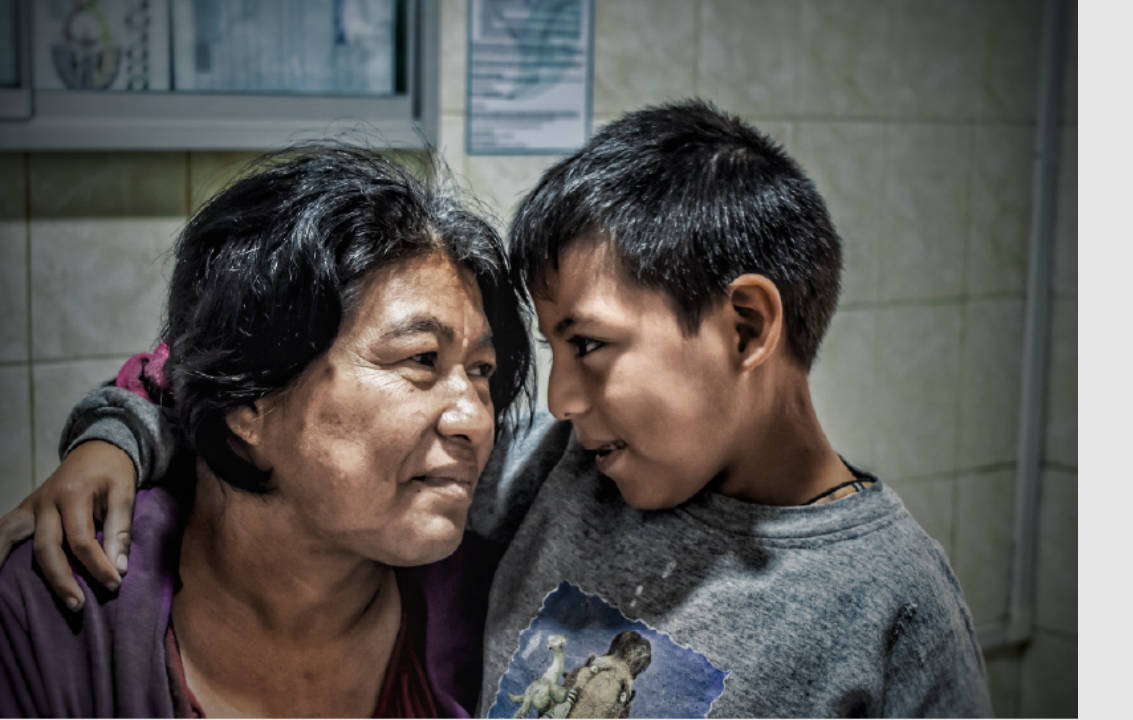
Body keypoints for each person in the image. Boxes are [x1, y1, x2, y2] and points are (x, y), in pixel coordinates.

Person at [0, 100, 993, 717]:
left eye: (588, 349)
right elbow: (227, 366)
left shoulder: (890, 607)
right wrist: (114, 434)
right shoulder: (561, 474)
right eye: (426, 362)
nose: (536, 404)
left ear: (742, 327)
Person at [0, 145, 535, 717]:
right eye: (421, 359)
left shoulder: (504, 601)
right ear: (250, 398)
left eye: (482, 371)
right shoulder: (61, 604)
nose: (477, 419)